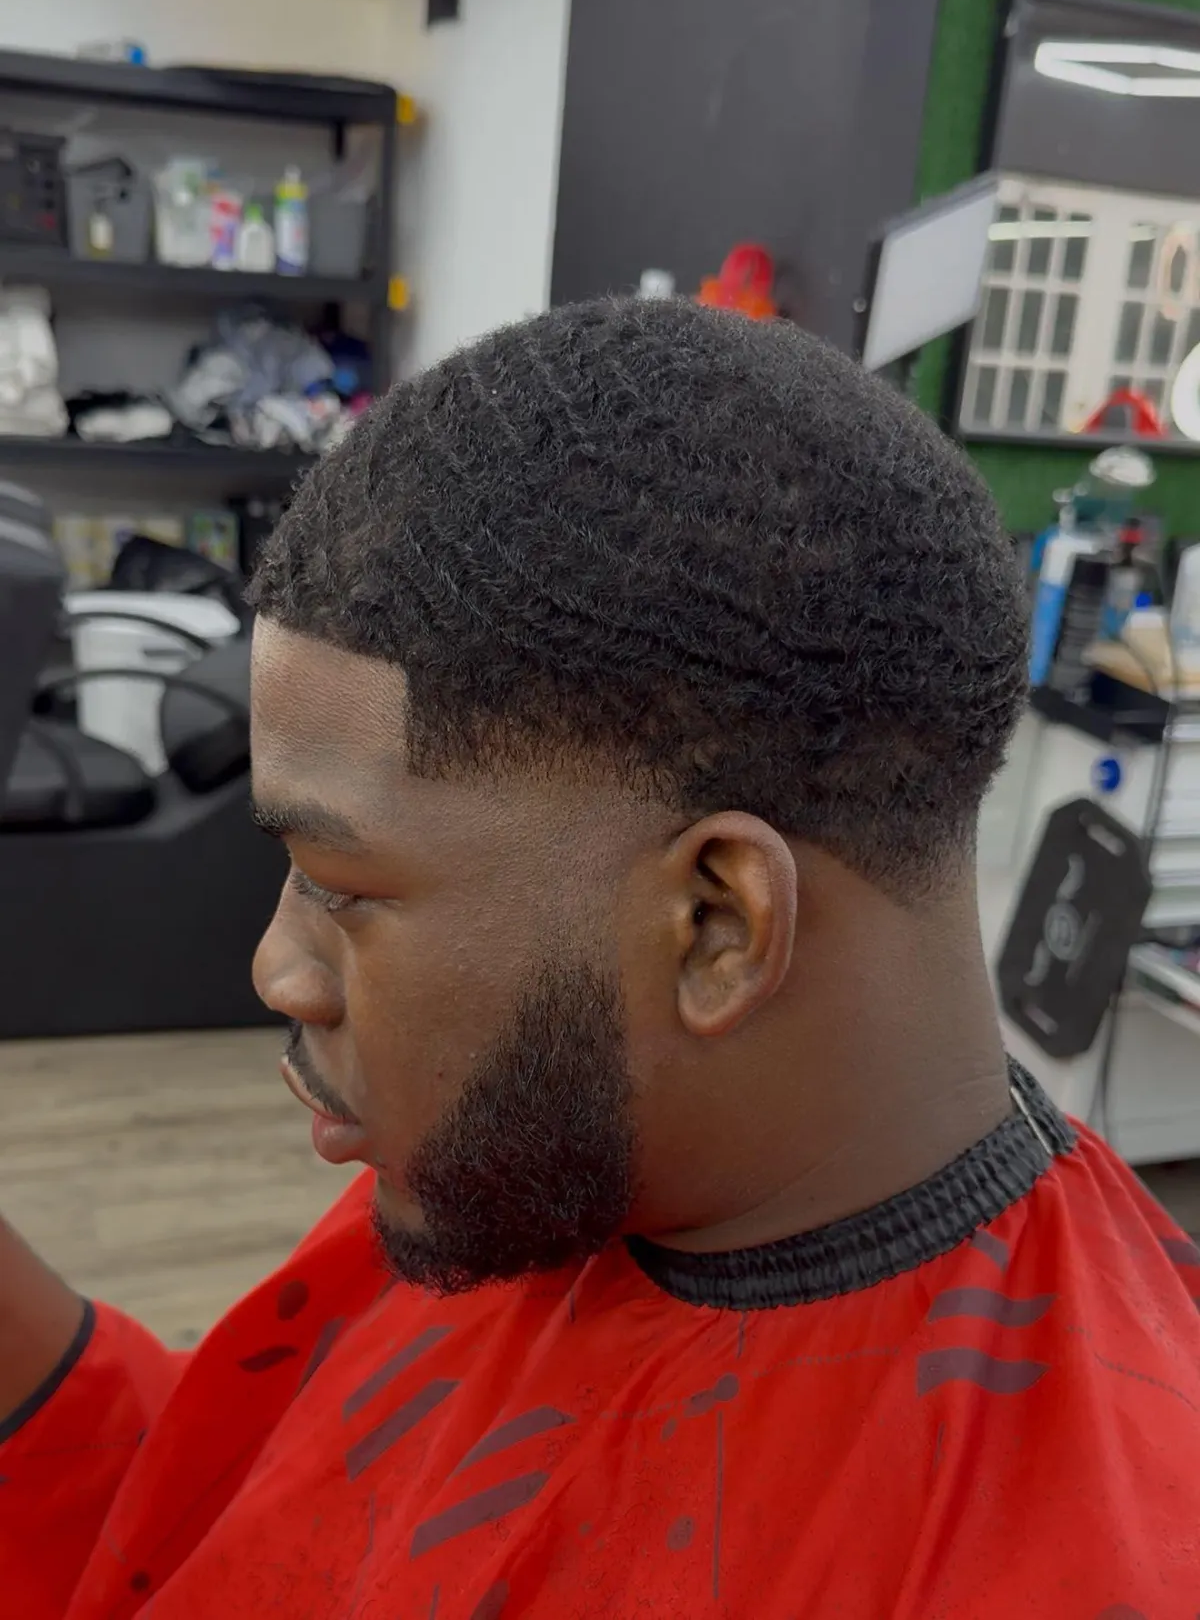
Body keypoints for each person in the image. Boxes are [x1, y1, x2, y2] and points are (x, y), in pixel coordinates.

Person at [3, 299, 1199, 1620]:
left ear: (717, 925)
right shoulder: (533, 1155)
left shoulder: (1088, 1567)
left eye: (341, 887)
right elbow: (233, 1526)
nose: (278, 972)